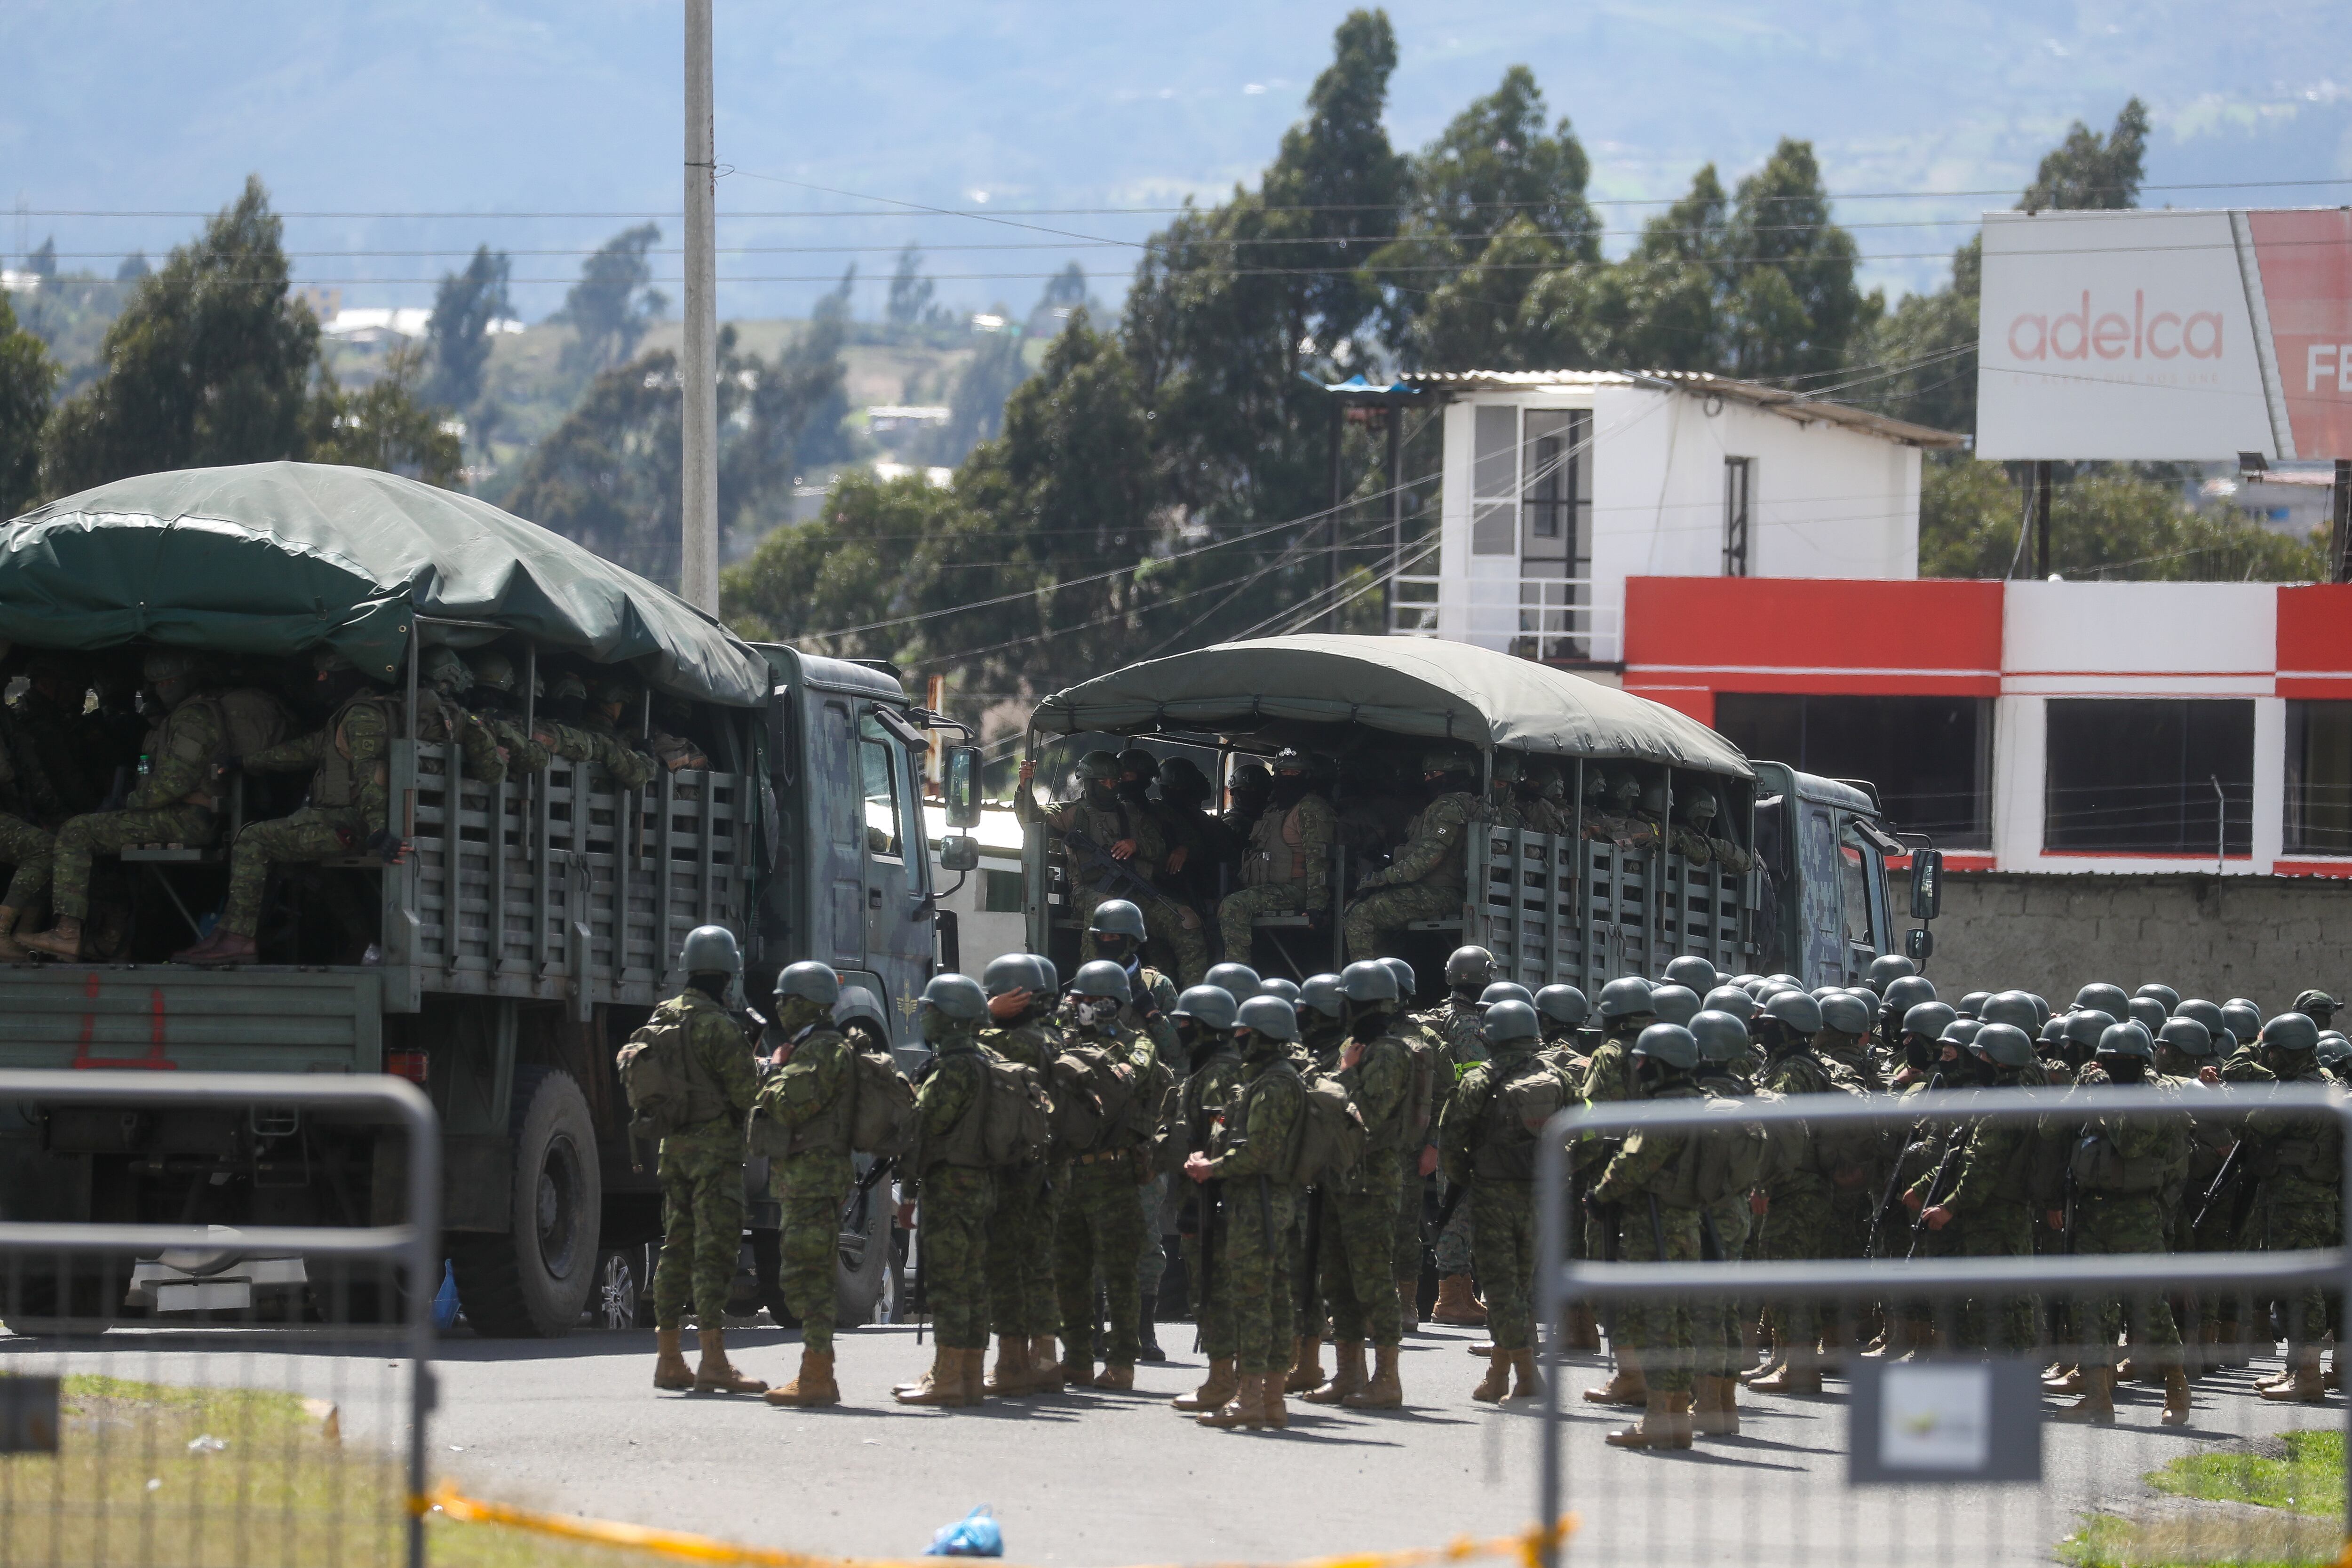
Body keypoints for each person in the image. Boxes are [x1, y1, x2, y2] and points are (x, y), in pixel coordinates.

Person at [167, 649, 414, 966]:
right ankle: (362, 939)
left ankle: (238, 938)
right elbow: (306, 749)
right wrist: (246, 762)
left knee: (252, 840)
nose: (321, 681)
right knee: (302, 864)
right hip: (344, 821)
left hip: (350, 823)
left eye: (327, 675)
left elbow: (371, 778)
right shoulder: (350, 714)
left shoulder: (361, 716)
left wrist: (379, 830)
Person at [22, 652, 229, 961]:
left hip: (186, 818)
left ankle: (67, 933)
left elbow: (173, 783)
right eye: (159, 683)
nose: (163, 688)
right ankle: (109, 939)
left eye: (170, 681)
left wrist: (128, 802)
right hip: (184, 816)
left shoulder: (193, 717)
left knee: (76, 831)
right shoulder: (185, 714)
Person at [643, 926, 767, 1396]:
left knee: (675, 1247)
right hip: (715, 1155)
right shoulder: (720, 1027)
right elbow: (746, 1095)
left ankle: (669, 1359)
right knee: (714, 1253)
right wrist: (760, 1063)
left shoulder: (662, 1016)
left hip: (671, 1149)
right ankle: (714, 1360)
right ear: (728, 973)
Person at [2053, 1022, 2191, 1425]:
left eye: (2123, 1063)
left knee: (2149, 1305)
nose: (2114, 1068)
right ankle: (2098, 1395)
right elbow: (2050, 1126)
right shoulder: (2095, 1089)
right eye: (2108, 1061)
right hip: (2093, 1212)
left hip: (2137, 1214)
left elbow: (2131, 1142)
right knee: (2091, 1305)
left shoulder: (2156, 1099)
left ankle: (2177, 1388)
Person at [1183, 994, 1308, 1430]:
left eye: (1244, 1033)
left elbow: (1258, 1154)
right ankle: (1269, 1399)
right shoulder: (1268, 1079)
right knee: (1270, 1301)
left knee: (1255, 1303)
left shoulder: (1274, 1085)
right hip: (1261, 1203)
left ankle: (1252, 1397)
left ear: (1263, 1035)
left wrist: (1209, 1167)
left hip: (1258, 1205)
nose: (1237, 1040)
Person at [1301, 960, 1415, 1410]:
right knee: (1338, 1279)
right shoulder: (1355, 1046)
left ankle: (1387, 1378)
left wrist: (1344, 1073)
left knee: (1372, 1279)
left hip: (1371, 1179)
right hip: (1338, 1175)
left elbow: (1366, 1111)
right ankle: (1350, 1373)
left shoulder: (1389, 1052)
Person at [1053, 958, 1169, 1390]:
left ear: (1111, 1004)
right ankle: (1078, 1357)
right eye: (1076, 1000)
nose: (1078, 1007)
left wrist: (1103, 1036)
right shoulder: (1061, 1040)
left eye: (1088, 1002)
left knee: (1119, 1271)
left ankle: (1121, 1361)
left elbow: (1133, 1074)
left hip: (1114, 1173)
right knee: (1070, 1269)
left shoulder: (1137, 1044)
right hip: (1069, 1171)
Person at [1439, 998, 1562, 1404]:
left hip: (1493, 1195)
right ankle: (1498, 1373)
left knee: (1501, 1287)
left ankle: (1527, 1377)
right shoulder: (1558, 1078)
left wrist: (1464, 1182)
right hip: (1542, 1195)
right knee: (1521, 1286)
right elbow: (1588, 1132)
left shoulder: (1477, 1081)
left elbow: (1452, 1143)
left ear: (1489, 1035)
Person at [1590, 1021, 1707, 1449]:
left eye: (1642, 1061)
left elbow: (1633, 1164)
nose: (1637, 1067)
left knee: (1654, 1322)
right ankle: (1676, 1415)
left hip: (1653, 1227)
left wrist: (1600, 1195)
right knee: (1677, 1321)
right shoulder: (1702, 1103)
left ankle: (1658, 1416)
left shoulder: (1664, 1110)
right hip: (1689, 1226)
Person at [754, 961, 856, 1408]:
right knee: (803, 1274)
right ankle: (816, 1371)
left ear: (810, 1003)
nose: (779, 1007)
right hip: (807, 1178)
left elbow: (786, 1105)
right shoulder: (816, 1046)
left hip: (814, 1179)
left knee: (808, 1275)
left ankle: (817, 1374)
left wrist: (775, 1071)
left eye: (787, 1000)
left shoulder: (822, 1051)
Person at [893, 973, 999, 1408]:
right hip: (984, 1184)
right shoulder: (991, 1061)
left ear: (953, 1016)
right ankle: (969, 1373)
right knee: (974, 1280)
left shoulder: (951, 1069)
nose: (925, 1016)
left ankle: (949, 1373)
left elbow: (923, 1132)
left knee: (949, 1281)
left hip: (950, 1185)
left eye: (932, 1009)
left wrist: (910, 1191)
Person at [1018, 750, 1201, 984]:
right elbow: (1032, 817)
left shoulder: (1131, 813)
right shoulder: (1073, 813)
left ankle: (1191, 1000)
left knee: (1187, 921)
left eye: (1113, 781)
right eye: (1102, 782)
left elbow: (1160, 847)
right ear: (1089, 783)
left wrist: (1136, 845)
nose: (1109, 787)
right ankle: (1091, 990)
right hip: (1089, 892)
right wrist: (1025, 787)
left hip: (1136, 893)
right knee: (1110, 913)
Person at [979, 954, 1063, 1397]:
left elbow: (962, 1048)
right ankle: (1045, 1361)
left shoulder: (1014, 1042)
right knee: (1038, 1261)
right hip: (1050, 1167)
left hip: (1017, 1169)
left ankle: (1012, 1362)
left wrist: (982, 1015)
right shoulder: (1055, 1038)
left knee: (1007, 1262)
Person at [1168, 983, 1247, 1414]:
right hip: (1203, 1195)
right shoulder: (1206, 1069)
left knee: (1213, 1291)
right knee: (1209, 1289)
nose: (1178, 1029)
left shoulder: (1218, 1073)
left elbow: (1218, 1134)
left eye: (1184, 1023)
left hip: (1213, 1199)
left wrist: (1207, 1188)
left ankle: (1223, 1380)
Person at [1343, 750, 1478, 962]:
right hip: (1435, 890)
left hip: (1440, 893)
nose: (1426, 780)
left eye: (1433, 774)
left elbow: (1426, 860)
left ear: (1452, 775)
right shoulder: (1460, 804)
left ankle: (1367, 984)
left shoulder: (1448, 806)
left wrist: (1380, 879)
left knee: (1359, 914)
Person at [1216, 750, 1337, 964]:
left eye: (1295, 772)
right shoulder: (1276, 808)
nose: (1289, 777)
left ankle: (1238, 977)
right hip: (1271, 889)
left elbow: (1318, 860)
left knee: (1234, 906)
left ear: (1307, 776)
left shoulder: (1310, 809)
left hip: (1296, 891)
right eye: (1284, 771)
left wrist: (1316, 907)